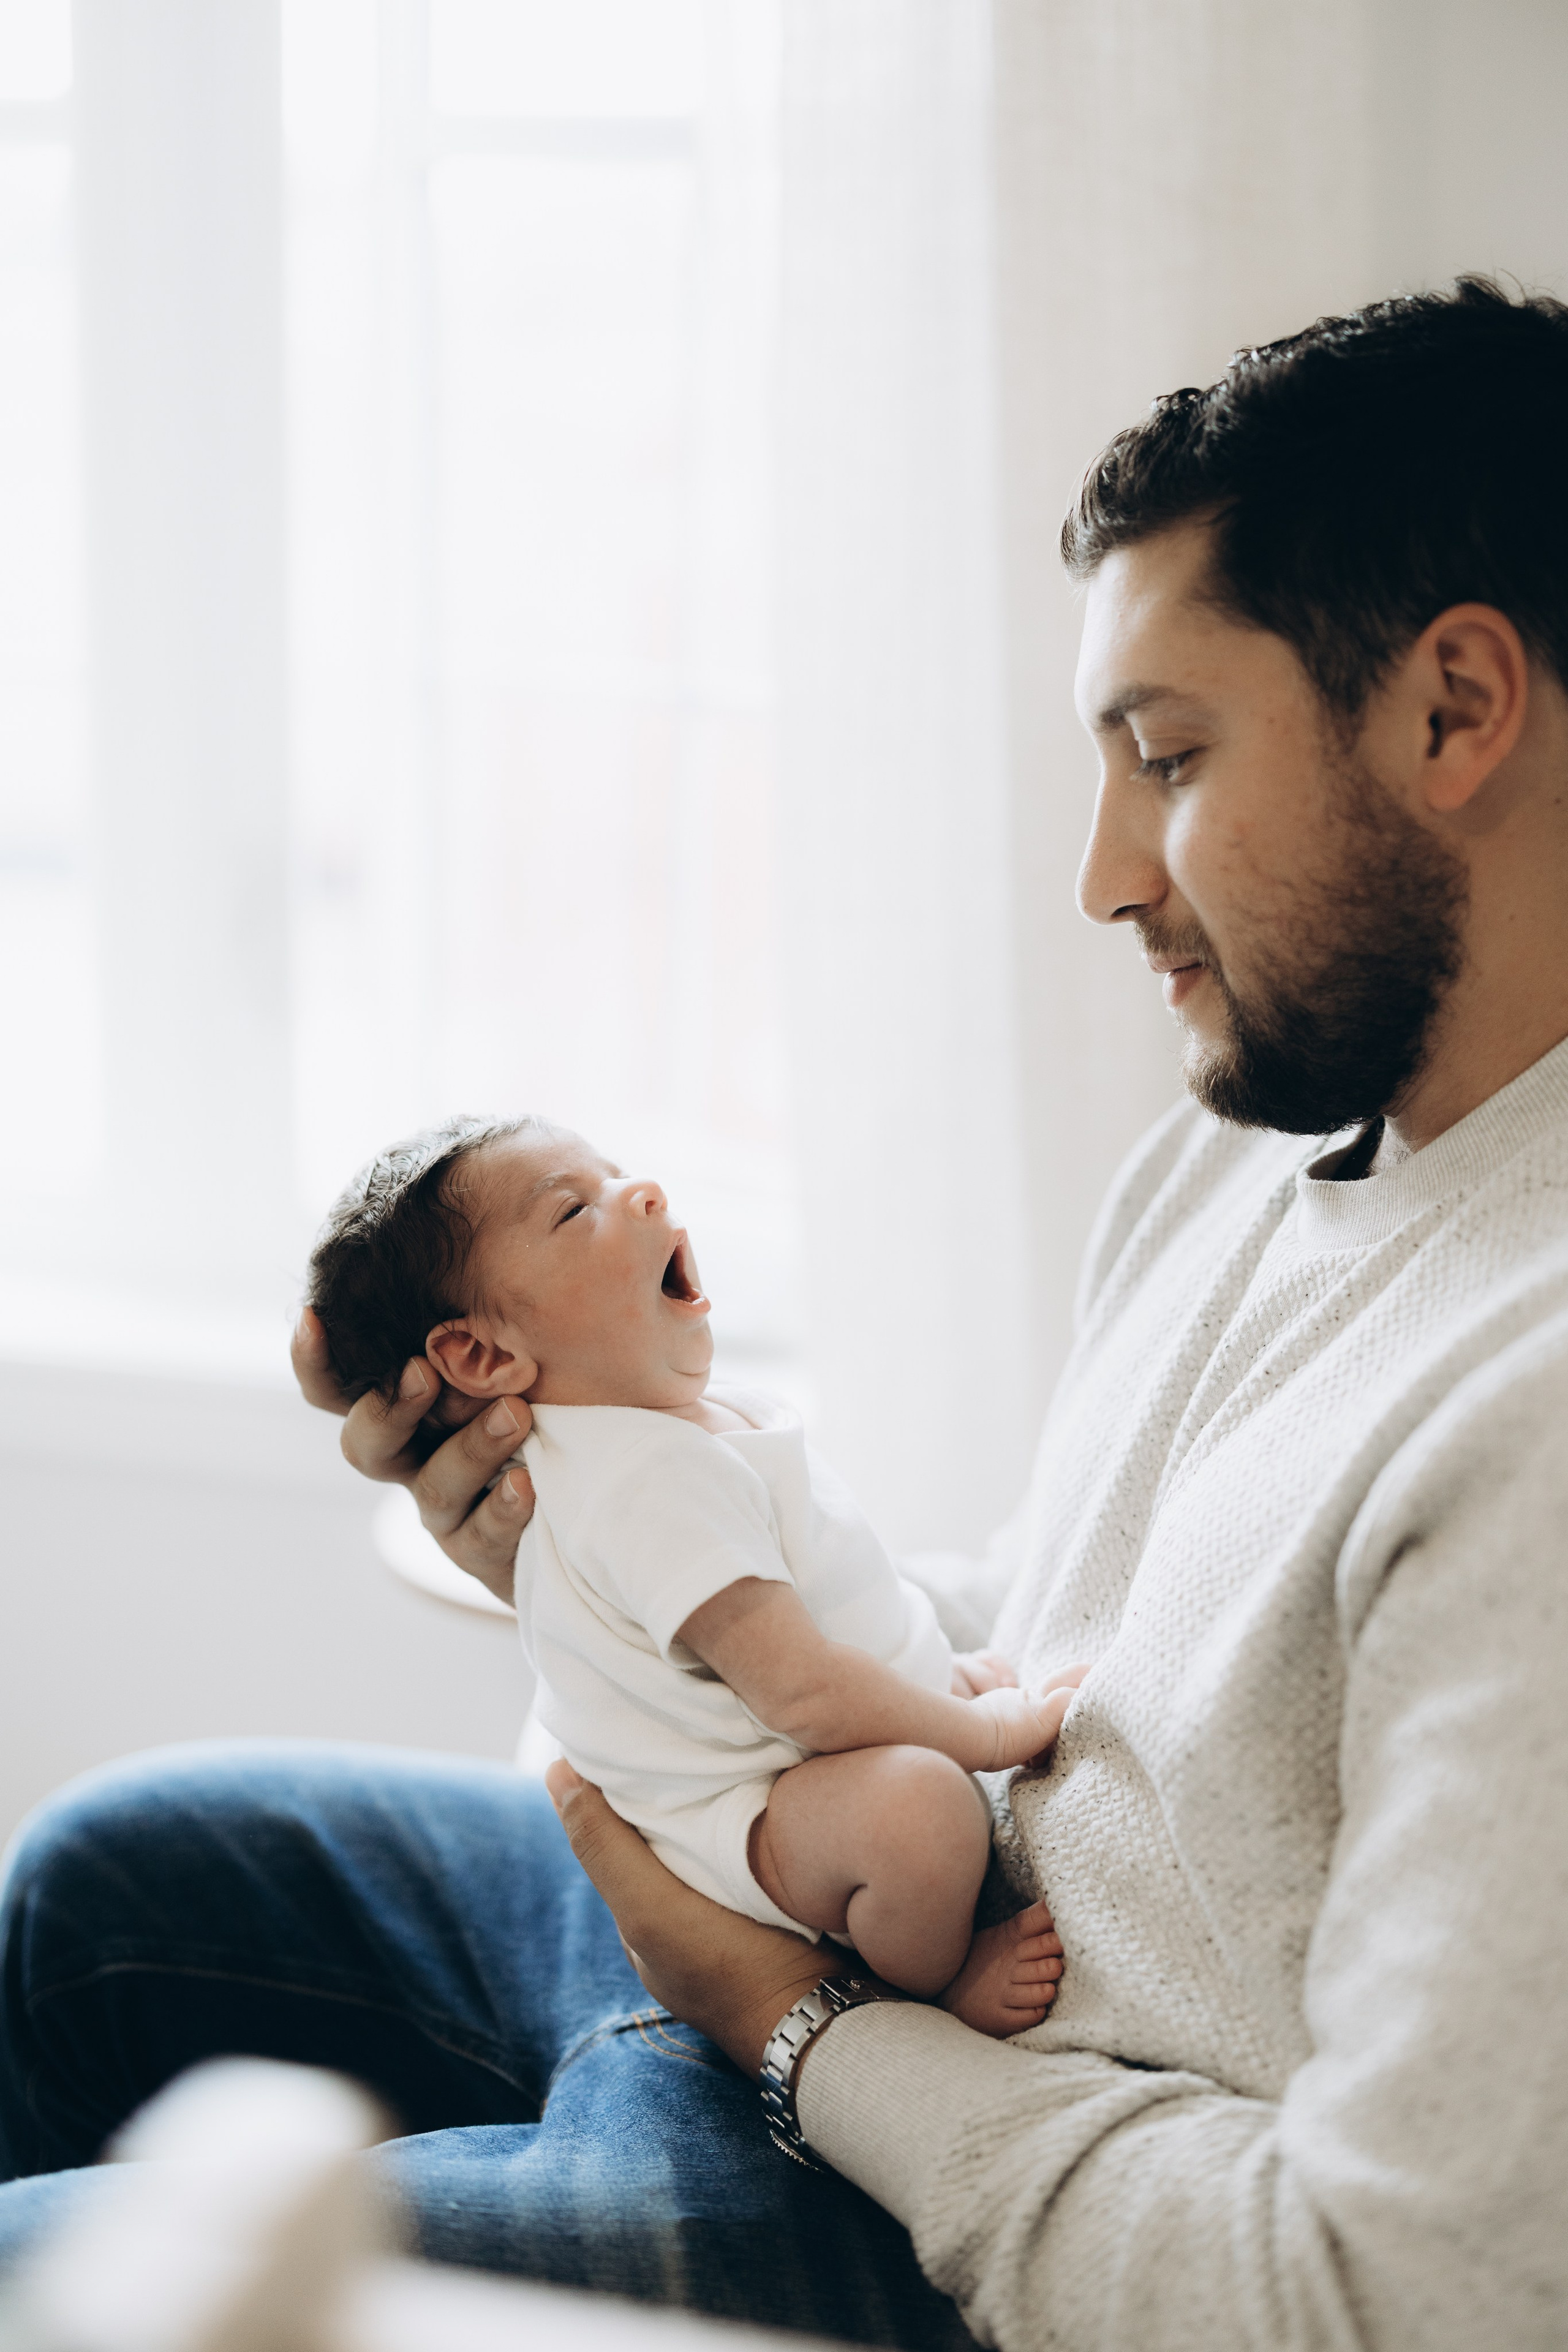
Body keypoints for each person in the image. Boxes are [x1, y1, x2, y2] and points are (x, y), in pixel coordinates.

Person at [4, 274, 1568, 2348]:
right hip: (868, 1928)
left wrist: (796, 2036)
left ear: (1456, 710)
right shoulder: (1262, 1125)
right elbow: (1094, 1640)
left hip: (974, 2198)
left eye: (1169, 757)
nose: (1107, 875)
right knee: (109, 1875)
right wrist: (613, 1551)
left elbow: (1384, 2303)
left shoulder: (1533, 1407)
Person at [304, 1110, 1079, 2030]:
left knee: (937, 1688)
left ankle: (930, 1706)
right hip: (746, 1814)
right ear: (481, 1354)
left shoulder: (650, 1426)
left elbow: (824, 1591)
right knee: (922, 1816)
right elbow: (803, 1698)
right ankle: (931, 1987)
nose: (644, 1193)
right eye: (573, 1210)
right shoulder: (642, 1480)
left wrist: (935, 1681)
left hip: (788, 1754)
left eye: (618, 1173)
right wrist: (986, 1733)